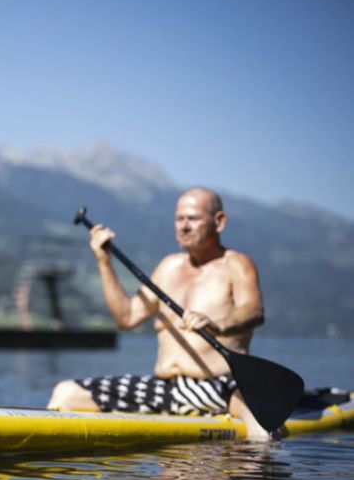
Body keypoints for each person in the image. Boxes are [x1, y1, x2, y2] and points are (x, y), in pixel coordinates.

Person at [47, 187, 271, 440]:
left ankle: (255, 471)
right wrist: (104, 262)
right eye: (179, 219)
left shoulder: (236, 263)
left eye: (193, 219)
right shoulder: (168, 267)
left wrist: (217, 325)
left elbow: (254, 311)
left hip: (221, 387)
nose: (184, 226)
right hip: (164, 388)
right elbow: (127, 317)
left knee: (262, 429)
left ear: (219, 222)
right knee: (66, 392)